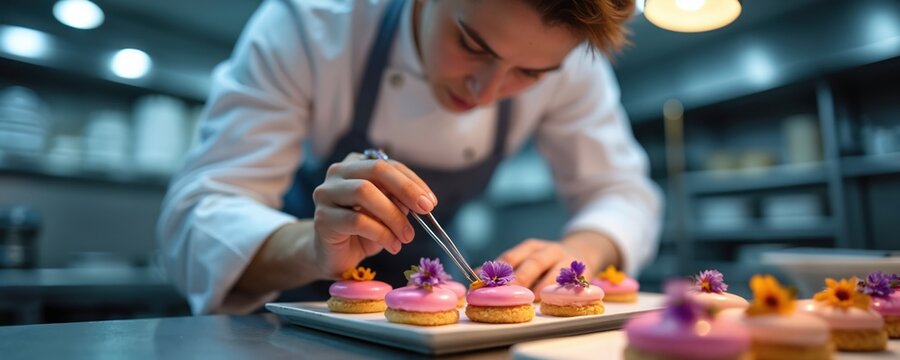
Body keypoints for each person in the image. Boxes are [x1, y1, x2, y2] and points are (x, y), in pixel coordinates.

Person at [157, 0, 662, 315]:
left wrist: (584, 249)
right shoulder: (311, 25)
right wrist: (311, 247)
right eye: (470, 44)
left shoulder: (571, 67)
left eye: (527, 75)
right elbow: (195, 220)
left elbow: (622, 191)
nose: (487, 93)